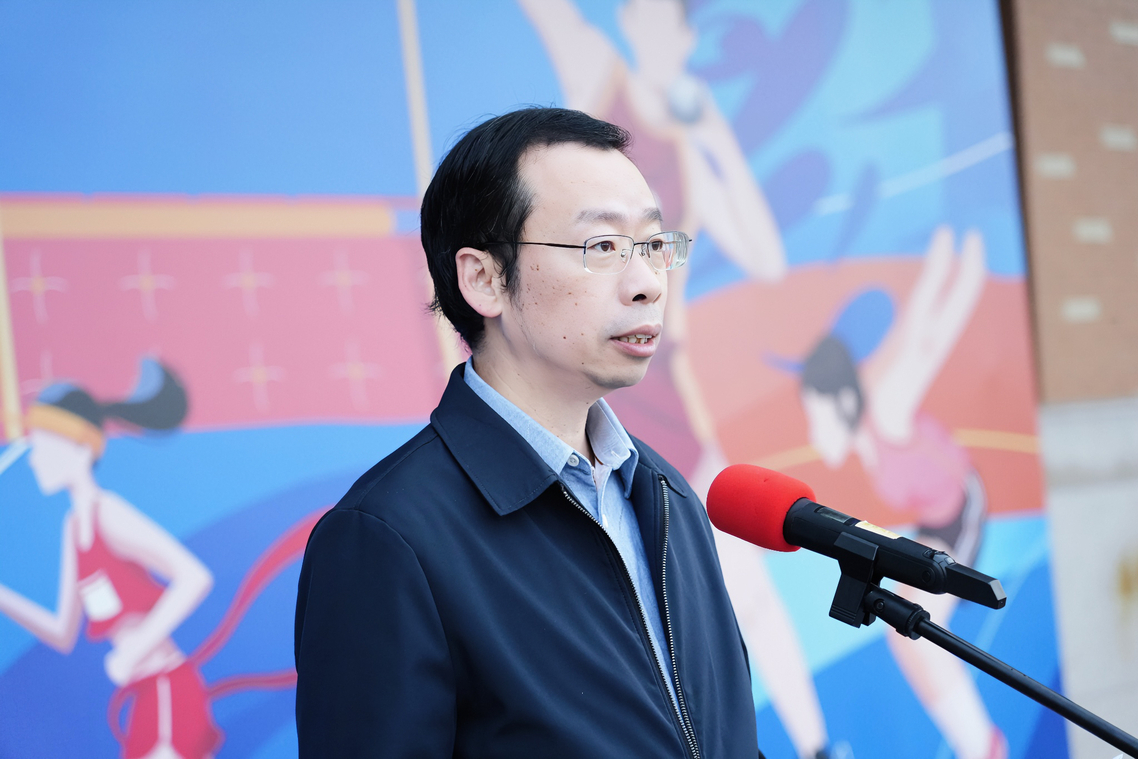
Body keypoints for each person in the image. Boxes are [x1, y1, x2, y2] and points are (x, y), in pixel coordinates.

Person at [294, 107, 759, 758]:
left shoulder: (666, 496)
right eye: (603, 247)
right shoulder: (387, 537)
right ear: (483, 278)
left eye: (654, 245)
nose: (647, 284)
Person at [519, 3, 835, 757]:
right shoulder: (602, 80)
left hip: (672, 393)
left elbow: (765, 256)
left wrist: (711, 130)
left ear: (690, 37)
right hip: (604, 389)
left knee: (746, 596)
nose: (649, 25)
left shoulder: (688, 140)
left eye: (667, 18)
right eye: (642, 13)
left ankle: (818, 745)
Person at [798, 227, 1007, 759]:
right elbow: (907, 334)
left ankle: (984, 746)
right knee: (903, 624)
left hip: (961, 510)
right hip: (929, 517)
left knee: (914, 628)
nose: (814, 435)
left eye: (817, 418)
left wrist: (962, 273)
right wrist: (937, 269)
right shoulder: (866, 402)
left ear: (840, 402)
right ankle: (979, 743)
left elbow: (926, 340)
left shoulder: (886, 406)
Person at [0, 359, 223, 759]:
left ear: (81, 447)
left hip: (167, 690)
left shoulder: (109, 513)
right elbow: (62, 632)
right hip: (144, 698)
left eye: (42, 446)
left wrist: (135, 650)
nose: (33, 459)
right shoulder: (74, 527)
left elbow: (194, 577)